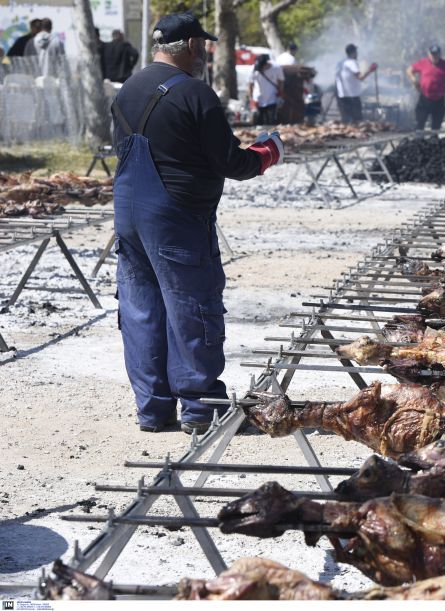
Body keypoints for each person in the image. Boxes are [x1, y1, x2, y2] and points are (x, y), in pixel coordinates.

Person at [110, 12, 284, 434]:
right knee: (192, 306)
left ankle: (153, 410)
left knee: (141, 310)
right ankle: (201, 408)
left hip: (129, 214)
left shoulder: (128, 89)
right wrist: (269, 152)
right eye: (203, 45)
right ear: (191, 46)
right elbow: (232, 163)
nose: (206, 52)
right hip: (176, 218)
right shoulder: (195, 93)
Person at [406, 44, 445, 131]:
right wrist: (414, 81)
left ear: (439, 54)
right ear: (429, 54)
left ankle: (434, 139)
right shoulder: (423, 63)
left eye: (436, 54)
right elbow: (409, 70)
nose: (434, 56)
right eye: (433, 54)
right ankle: (419, 138)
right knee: (420, 123)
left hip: (439, 99)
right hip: (425, 98)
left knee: (436, 125)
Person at [335, 43, 376, 124]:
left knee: (346, 122)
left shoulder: (341, 63)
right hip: (352, 98)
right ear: (353, 52)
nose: (357, 54)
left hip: (342, 97)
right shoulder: (352, 62)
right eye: (356, 52)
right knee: (357, 122)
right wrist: (370, 70)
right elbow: (360, 77)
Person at [248, 53, 284, 125]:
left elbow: (281, 81)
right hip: (258, 99)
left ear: (266, 64)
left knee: (271, 121)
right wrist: (251, 98)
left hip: (272, 98)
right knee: (258, 122)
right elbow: (250, 84)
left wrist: (280, 95)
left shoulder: (276, 68)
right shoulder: (254, 69)